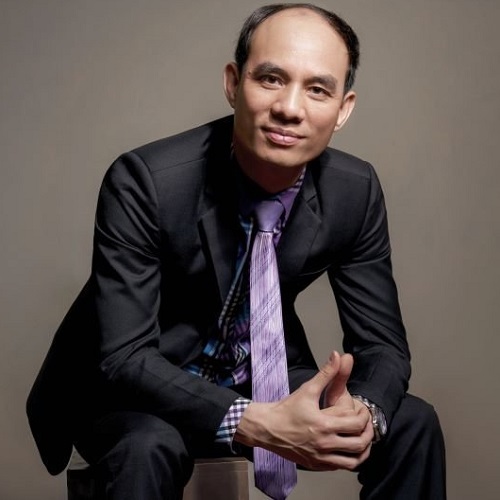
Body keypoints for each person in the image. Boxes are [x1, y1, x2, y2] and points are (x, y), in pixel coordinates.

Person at [27, 3, 446, 499]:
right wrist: (255, 422)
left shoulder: (355, 191)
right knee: (148, 448)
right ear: (233, 83)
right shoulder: (146, 181)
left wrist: (365, 414)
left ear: (343, 109)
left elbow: (383, 346)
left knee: (412, 423)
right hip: (134, 388)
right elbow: (125, 357)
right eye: (271, 79)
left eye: (318, 89)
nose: (290, 107)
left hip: (255, 372)